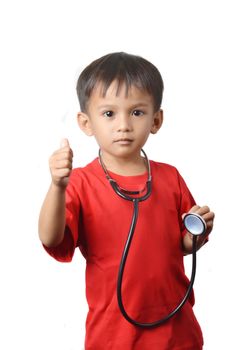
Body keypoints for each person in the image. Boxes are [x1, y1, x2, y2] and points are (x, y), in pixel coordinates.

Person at [38, 52, 215, 350]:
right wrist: (57, 186)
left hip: (177, 332)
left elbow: (182, 245)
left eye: (136, 112)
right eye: (109, 114)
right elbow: (51, 238)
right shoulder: (80, 182)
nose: (123, 125)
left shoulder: (170, 177)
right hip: (115, 337)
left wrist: (195, 235)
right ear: (86, 122)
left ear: (156, 119)